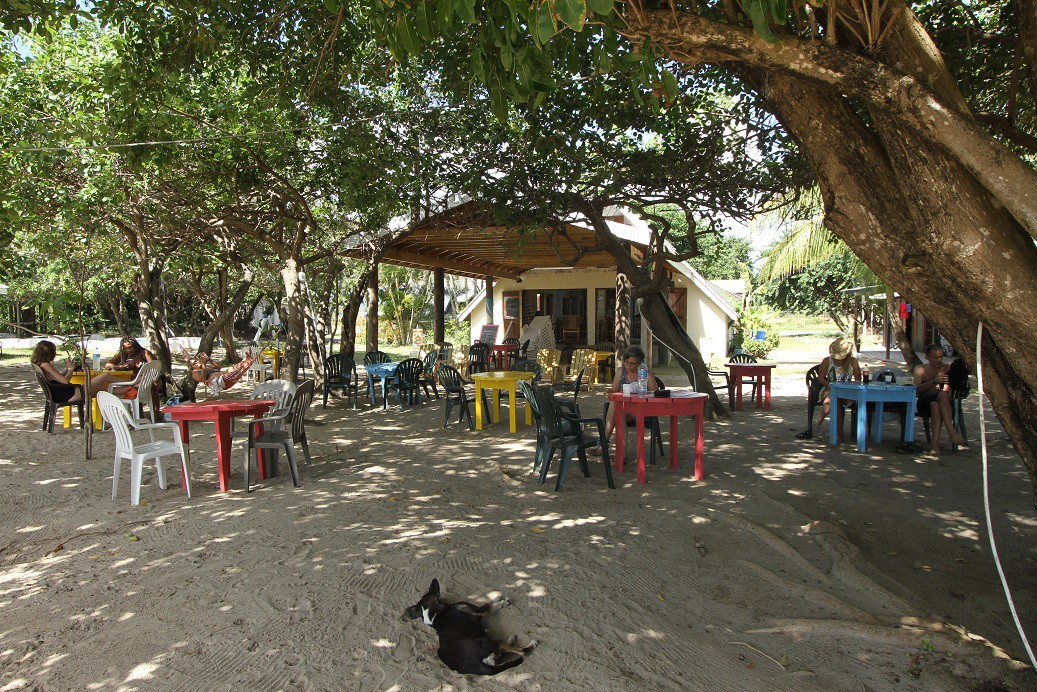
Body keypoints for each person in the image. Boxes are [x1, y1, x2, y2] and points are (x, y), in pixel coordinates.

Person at [590, 346, 658, 455]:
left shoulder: (646, 373)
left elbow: (656, 394)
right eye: (627, 362)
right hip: (625, 408)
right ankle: (621, 454)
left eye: (633, 363)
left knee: (616, 407)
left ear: (639, 362)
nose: (629, 366)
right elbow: (613, 392)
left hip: (643, 411)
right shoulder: (621, 372)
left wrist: (642, 391)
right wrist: (616, 393)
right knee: (615, 405)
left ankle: (603, 444)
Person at [913, 343, 969, 455]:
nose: (939, 360)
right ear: (927, 358)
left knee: (936, 405)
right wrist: (934, 382)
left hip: (943, 404)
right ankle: (951, 432)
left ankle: (935, 446)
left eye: (940, 357)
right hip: (924, 402)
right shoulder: (920, 369)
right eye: (935, 358)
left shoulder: (947, 368)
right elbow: (916, 389)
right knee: (940, 396)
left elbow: (956, 388)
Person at [31, 340, 125, 400]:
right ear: (48, 353)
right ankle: (131, 383)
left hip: (64, 393)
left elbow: (55, 378)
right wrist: (70, 369)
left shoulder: (38, 365)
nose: (55, 354)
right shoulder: (45, 364)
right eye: (54, 352)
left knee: (103, 389)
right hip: (70, 394)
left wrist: (66, 370)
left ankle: (131, 389)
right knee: (105, 376)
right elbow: (65, 381)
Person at [813, 337, 862, 440]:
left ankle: (835, 429)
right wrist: (829, 384)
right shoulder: (827, 361)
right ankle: (839, 432)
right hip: (829, 388)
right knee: (832, 399)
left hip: (847, 390)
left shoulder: (853, 362)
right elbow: (820, 378)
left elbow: (858, 380)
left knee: (837, 400)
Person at [189, 350, 258, 397]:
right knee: (233, 370)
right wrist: (203, 366)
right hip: (218, 380)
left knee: (233, 368)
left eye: (196, 361)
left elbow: (219, 367)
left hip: (222, 374)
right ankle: (246, 360)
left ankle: (246, 360)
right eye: (194, 363)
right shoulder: (195, 372)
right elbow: (203, 379)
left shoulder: (207, 366)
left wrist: (208, 359)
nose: (196, 362)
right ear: (192, 367)